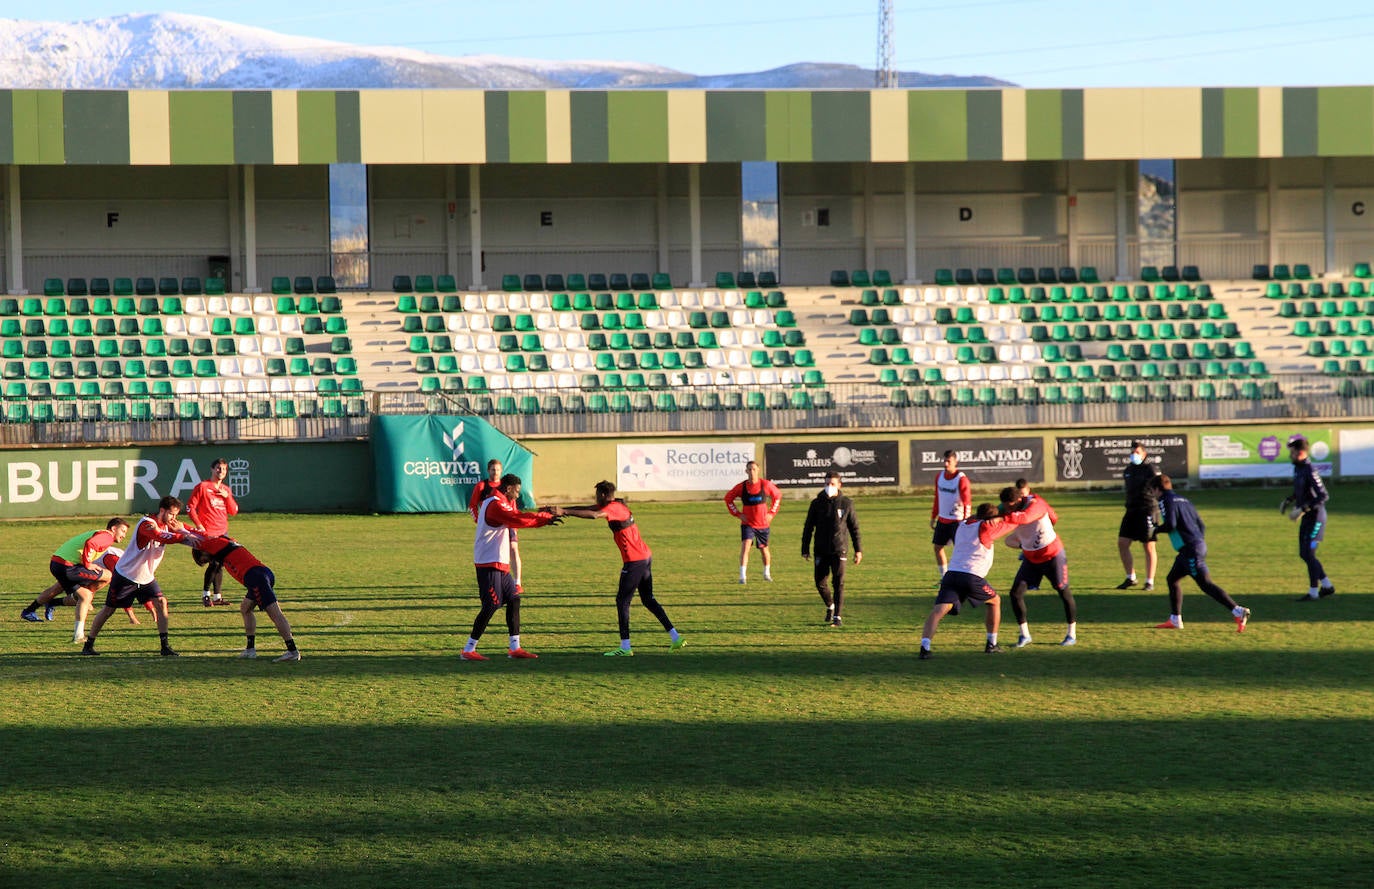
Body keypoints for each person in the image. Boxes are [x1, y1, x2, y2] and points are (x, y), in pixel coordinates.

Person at [563, 481, 686, 656]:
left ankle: (625, 647)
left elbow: (593, 515)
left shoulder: (613, 508)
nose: (596, 497)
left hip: (634, 561)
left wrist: (565, 511)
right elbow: (588, 508)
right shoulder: (616, 503)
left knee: (622, 601)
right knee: (648, 599)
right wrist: (563, 510)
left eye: (597, 494)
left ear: (604, 495)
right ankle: (675, 638)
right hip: (644, 557)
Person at [918, 498, 1049, 659]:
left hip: (951, 575)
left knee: (938, 611)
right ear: (990, 520)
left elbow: (975, 517)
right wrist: (1021, 515)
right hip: (971, 577)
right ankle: (991, 644)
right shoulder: (986, 528)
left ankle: (925, 648)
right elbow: (1012, 524)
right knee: (995, 601)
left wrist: (994, 515)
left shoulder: (963, 524)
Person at [80, 496, 202, 657]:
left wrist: (199, 537)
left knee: (161, 602)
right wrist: (184, 535)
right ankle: (88, 645)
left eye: (176, 515)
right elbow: (160, 536)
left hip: (146, 577)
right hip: (126, 575)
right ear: (162, 511)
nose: (174, 519)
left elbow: (189, 534)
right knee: (109, 610)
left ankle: (165, 646)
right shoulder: (147, 524)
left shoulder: (168, 525)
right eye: (171, 514)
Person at [462, 473, 561, 662]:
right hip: (488, 562)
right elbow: (517, 519)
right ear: (508, 489)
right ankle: (468, 649)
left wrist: (542, 516)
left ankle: (514, 647)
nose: (517, 496)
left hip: (499, 561)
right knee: (491, 604)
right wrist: (544, 519)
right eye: (516, 492)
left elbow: (517, 516)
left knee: (514, 600)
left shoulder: (500, 501)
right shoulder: (495, 504)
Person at [1150, 475, 1251, 632]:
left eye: (1153, 491)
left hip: (1191, 549)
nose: (1153, 495)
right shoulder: (1184, 500)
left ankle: (1238, 611)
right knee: (1172, 579)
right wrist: (1198, 542)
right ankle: (1175, 619)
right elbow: (1201, 525)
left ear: (1157, 489)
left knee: (1205, 584)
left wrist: (1155, 530)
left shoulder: (1164, 500)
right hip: (1193, 547)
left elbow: (1171, 524)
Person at [193, 535, 301, 662]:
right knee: (245, 608)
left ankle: (292, 651)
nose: (207, 561)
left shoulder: (220, 547)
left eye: (204, 558)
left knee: (276, 614)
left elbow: (199, 537)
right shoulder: (226, 548)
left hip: (256, 578)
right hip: (262, 574)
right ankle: (250, 650)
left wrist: (180, 530)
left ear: (205, 550)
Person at [21, 519, 131, 638]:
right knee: (107, 576)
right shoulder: (107, 536)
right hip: (67, 566)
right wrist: (88, 564)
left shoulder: (101, 534)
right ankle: (78, 630)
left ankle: (30, 610)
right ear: (114, 529)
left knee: (66, 590)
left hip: (58, 563)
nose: (124, 535)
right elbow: (91, 543)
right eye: (123, 531)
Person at [1000, 480, 1078, 648]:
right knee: (1015, 593)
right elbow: (993, 515)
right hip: (1031, 558)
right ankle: (1025, 635)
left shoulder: (1036, 503)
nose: (1007, 509)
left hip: (1052, 555)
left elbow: (1026, 518)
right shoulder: (1007, 509)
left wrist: (1005, 516)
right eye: (1005, 506)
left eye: (1010, 506)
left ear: (1019, 500)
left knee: (1063, 591)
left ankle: (1071, 633)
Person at [801, 470, 863, 627]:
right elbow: (808, 527)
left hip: (839, 549)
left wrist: (858, 550)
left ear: (839, 485)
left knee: (838, 583)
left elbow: (854, 528)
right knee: (820, 583)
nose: (829, 486)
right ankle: (830, 605)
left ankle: (838, 617)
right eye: (827, 483)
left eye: (832, 484)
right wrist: (805, 548)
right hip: (821, 549)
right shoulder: (816, 503)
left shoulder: (847, 503)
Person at [1283, 436, 1335, 601]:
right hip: (1307, 518)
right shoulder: (1298, 468)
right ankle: (1326, 586)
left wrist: (1303, 509)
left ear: (1300, 452)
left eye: (1292, 451)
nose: (1290, 455)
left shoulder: (1310, 470)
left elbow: (1323, 496)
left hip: (1316, 519)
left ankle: (1314, 591)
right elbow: (1301, 491)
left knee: (1309, 553)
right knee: (1304, 554)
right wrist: (1289, 500)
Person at [187, 457, 240, 606]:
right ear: (212, 469)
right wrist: (199, 525)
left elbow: (234, 511)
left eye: (224, 469)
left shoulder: (226, 490)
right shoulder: (203, 487)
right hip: (209, 534)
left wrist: (227, 496)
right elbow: (190, 507)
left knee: (219, 564)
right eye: (218, 468)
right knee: (215, 562)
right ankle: (206, 595)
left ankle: (216, 597)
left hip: (223, 533)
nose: (221, 471)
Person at [470, 458, 524, 593]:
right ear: (488, 470)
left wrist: (515, 525)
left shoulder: (506, 486)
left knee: (513, 548)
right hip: (491, 525)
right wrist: (479, 520)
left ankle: (517, 582)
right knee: (497, 551)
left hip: (508, 522)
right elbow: (472, 505)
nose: (495, 472)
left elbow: (513, 506)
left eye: (498, 470)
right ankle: (499, 580)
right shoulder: (482, 486)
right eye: (493, 469)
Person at [724, 460, 782, 584]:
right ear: (746, 471)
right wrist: (738, 514)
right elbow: (728, 499)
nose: (752, 472)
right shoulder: (742, 487)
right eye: (749, 469)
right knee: (745, 548)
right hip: (748, 524)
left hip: (762, 524)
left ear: (758, 470)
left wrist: (771, 513)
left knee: (764, 549)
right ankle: (742, 576)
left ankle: (767, 573)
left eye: (754, 469)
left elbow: (777, 496)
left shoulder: (765, 485)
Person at [1116, 440, 1161, 591]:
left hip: (1147, 510)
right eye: (1132, 452)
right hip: (1131, 511)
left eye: (1137, 452)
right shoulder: (1128, 470)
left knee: (1148, 546)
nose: (1134, 455)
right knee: (1122, 543)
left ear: (1144, 454)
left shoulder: (1149, 469)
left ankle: (1149, 581)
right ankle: (1131, 578)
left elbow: (1158, 489)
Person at [930, 450, 971, 581]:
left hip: (957, 521)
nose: (946, 464)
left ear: (955, 462)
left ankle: (964, 577)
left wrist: (966, 521)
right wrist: (933, 516)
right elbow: (937, 498)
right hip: (942, 520)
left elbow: (967, 502)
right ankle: (944, 577)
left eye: (949, 461)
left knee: (960, 551)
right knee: (937, 548)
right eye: (945, 461)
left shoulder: (961, 479)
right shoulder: (939, 477)